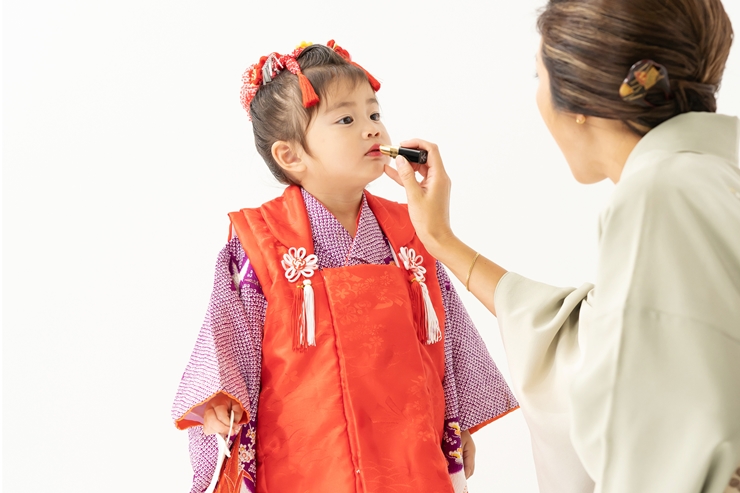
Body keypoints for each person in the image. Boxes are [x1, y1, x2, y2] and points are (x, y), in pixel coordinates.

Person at [384, 1, 740, 492]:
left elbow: (656, 430)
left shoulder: (661, 195)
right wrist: (441, 240)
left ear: (577, 103)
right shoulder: (710, 175)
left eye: (539, 76)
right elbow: (593, 345)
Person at [171, 40, 518, 493]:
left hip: (408, 444)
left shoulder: (408, 231)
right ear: (290, 155)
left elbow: (442, 333)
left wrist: (456, 421)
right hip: (308, 451)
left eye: (374, 115)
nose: (372, 130)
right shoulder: (262, 238)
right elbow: (229, 332)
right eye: (347, 120)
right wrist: (221, 398)